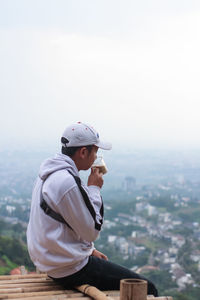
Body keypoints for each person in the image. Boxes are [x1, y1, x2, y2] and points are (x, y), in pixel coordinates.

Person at [27, 122, 158, 296]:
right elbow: (92, 231)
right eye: (95, 151)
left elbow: (66, 223)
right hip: (68, 268)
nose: (96, 156)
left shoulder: (48, 173)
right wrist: (94, 188)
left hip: (49, 262)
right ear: (83, 152)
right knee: (148, 288)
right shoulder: (67, 183)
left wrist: (88, 250)